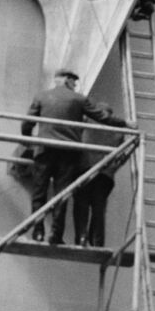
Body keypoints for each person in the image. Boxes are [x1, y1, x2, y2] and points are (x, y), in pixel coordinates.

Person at [21, 69, 97, 246]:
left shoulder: (41, 96)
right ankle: (55, 234)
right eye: (74, 82)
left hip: (44, 150)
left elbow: (27, 123)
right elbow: (101, 116)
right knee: (62, 194)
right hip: (68, 152)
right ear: (67, 80)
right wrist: (124, 123)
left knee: (39, 192)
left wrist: (27, 140)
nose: (75, 85)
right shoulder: (79, 99)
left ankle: (38, 231)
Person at [74, 101, 133, 249]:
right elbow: (122, 154)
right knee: (98, 207)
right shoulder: (118, 131)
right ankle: (97, 241)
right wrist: (113, 167)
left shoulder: (87, 122)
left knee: (81, 204)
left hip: (85, 170)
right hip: (105, 175)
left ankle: (81, 237)